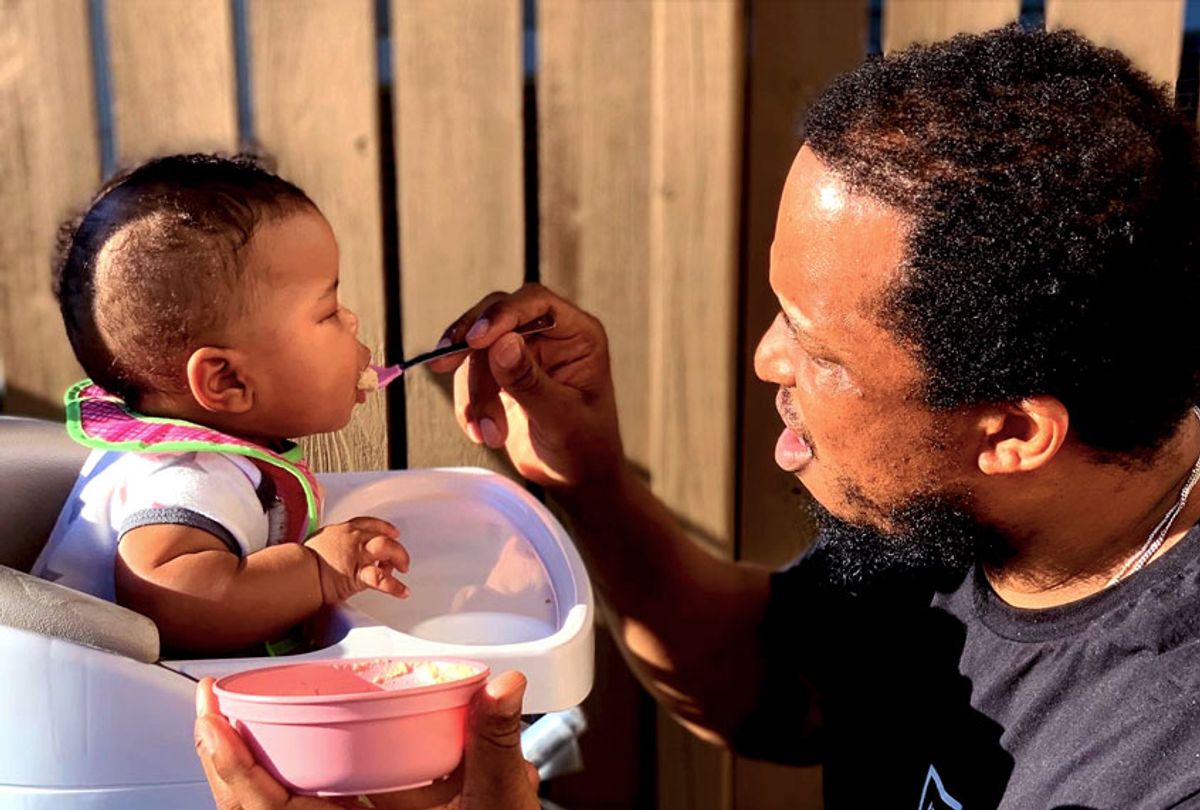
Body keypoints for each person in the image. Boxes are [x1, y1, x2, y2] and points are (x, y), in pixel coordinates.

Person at [201, 25, 1200, 809]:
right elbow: (783, 689)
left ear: (1015, 433)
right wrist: (585, 482)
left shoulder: (1160, 762)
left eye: (821, 349)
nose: (768, 359)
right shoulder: (968, 506)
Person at [33, 154, 410, 656]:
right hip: (112, 716)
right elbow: (170, 596)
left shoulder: (200, 444)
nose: (353, 320)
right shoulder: (190, 475)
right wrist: (317, 572)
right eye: (327, 313)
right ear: (227, 380)